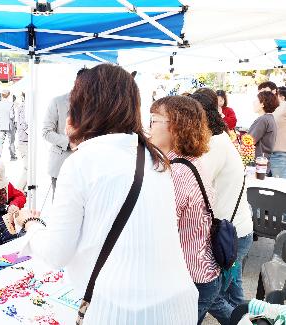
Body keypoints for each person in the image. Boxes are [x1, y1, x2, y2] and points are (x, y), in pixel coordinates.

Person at [17, 64, 198, 324]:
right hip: (177, 304)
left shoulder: (82, 161)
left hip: (122, 311)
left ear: (83, 105)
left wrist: (30, 223)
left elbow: (57, 253)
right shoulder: (152, 156)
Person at [149, 95, 220, 324]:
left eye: (153, 120)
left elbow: (159, 229)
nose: (148, 127)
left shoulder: (177, 172)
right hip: (202, 270)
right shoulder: (190, 160)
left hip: (190, 277)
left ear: (175, 126)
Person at [191, 88, 253, 325]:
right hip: (237, 230)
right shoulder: (220, 139)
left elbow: (194, 180)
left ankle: (243, 322)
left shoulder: (215, 145)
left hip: (229, 234)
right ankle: (247, 319)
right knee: (233, 294)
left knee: (211, 294)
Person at [42, 68, 88, 196]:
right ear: (76, 82)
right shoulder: (57, 102)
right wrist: (71, 142)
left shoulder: (94, 104)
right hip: (61, 163)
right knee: (60, 207)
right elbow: (46, 132)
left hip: (85, 166)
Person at [248, 91, 279, 173]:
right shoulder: (269, 119)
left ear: (262, 104)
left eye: (256, 100)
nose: (253, 102)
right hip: (263, 164)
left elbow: (248, 141)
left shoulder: (263, 119)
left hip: (257, 165)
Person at [0, 90, 17, 161]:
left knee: (0, 142)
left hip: (1, 125)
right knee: (11, 142)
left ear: (2, 95)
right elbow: (11, 116)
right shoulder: (11, 104)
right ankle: (13, 157)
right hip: (9, 125)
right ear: (9, 95)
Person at [13, 92, 28, 191]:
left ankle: (20, 190)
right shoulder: (24, 108)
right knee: (28, 168)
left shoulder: (22, 107)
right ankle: (19, 190)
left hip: (24, 140)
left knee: (28, 168)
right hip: (25, 141)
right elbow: (24, 125)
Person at [271, 86, 286, 178]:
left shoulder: (283, 107)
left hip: (279, 153)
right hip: (273, 153)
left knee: (280, 187)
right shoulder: (276, 108)